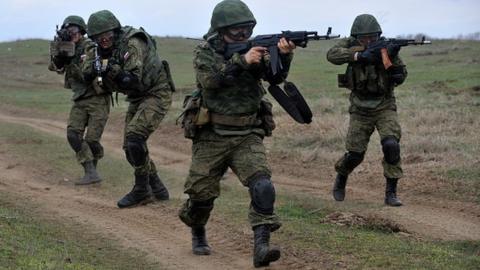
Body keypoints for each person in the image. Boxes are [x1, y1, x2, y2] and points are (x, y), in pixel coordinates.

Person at [178, 0, 296, 267]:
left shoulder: (258, 49)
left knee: (263, 186)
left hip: (248, 132)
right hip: (211, 134)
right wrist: (241, 61)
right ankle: (198, 230)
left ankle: (261, 247)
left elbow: (275, 78)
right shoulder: (205, 52)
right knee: (201, 196)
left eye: (247, 30)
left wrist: (284, 54)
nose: (243, 36)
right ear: (221, 31)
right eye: (236, 32)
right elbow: (209, 82)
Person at [82, 10, 175, 208]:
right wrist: (94, 69)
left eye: (107, 34)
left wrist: (112, 70)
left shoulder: (132, 42)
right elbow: (85, 72)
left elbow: (131, 79)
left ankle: (141, 190)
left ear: (115, 31)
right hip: (137, 97)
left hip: (156, 92)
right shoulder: (96, 50)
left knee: (135, 138)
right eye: (98, 37)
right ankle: (156, 186)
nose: (103, 40)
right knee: (129, 148)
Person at [326, 14, 407, 207]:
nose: (369, 41)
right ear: (356, 37)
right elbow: (332, 55)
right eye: (364, 38)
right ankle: (342, 176)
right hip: (360, 107)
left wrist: (393, 62)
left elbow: (401, 74)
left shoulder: (386, 47)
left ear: (379, 35)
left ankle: (391, 193)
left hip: (384, 105)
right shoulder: (349, 44)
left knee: (391, 145)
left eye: (373, 38)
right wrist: (359, 55)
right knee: (355, 153)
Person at [48, 15, 110, 185]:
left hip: (97, 97)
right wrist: (60, 57)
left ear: (82, 31)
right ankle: (90, 172)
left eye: (74, 30)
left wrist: (71, 61)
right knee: (73, 135)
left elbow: (86, 74)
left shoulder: (90, 47)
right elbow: (55, 68)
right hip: (80, 98)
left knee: (92, 140)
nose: (71, 34)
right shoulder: (63, 46)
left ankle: (93, 170)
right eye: (68, 31)